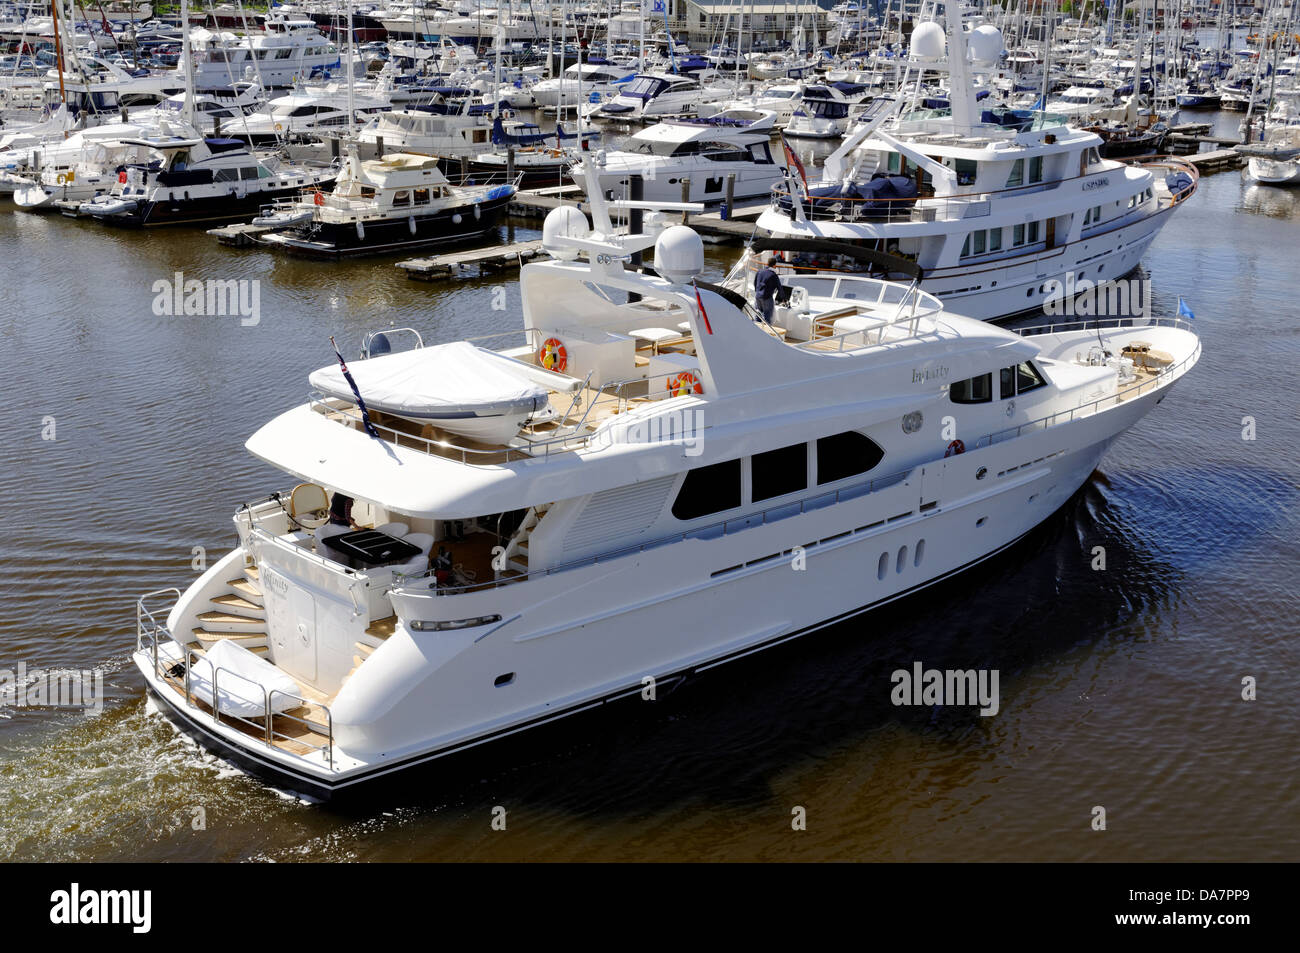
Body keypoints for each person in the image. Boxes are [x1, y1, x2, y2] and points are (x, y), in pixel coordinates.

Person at [753, 254, 782, 325]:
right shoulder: (773, 275)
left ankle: (755, 330)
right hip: (767, 298)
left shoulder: (759, 271)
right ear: (774, 265)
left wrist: (757, 292)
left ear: (767, 264)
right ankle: (765, 334)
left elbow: (755, 283)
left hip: (758, 296)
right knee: (767, 317)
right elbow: (779, 288)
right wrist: (783, 299)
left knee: (758, 315)